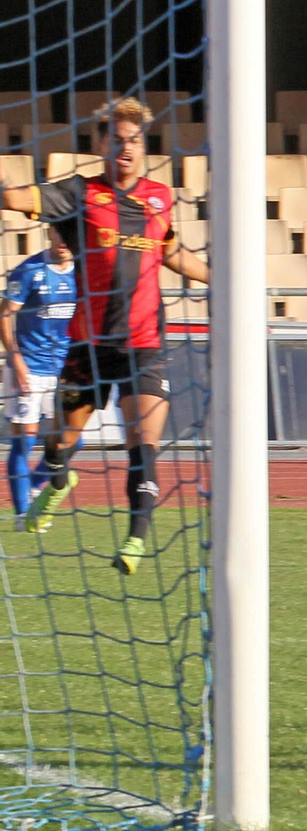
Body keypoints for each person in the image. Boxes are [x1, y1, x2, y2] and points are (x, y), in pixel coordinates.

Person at [0, 97, 210, 573]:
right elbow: (19, 200)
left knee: (143, 444)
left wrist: (221, 277)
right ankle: (58, 483)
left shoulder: (158, 198)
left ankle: (135, 541)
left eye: (133, 140)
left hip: (144, 347)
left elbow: (172, 252)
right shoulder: (79, 194)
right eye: (115, 140)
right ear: (98, 144)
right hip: (88, 349)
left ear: (143, 146)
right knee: (57, 446)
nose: (125, 149)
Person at [0, 229, 77, 526]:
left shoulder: (81, 273)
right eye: (58, 234)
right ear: (48, 233)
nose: (63, 242)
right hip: (29, 368)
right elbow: (5, 315)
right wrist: (16, 359)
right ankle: (22, 513)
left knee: (74, 441)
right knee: (25, 442)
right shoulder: (29, 270)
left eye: (68, 235)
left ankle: (32, 485)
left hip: (64, 369)